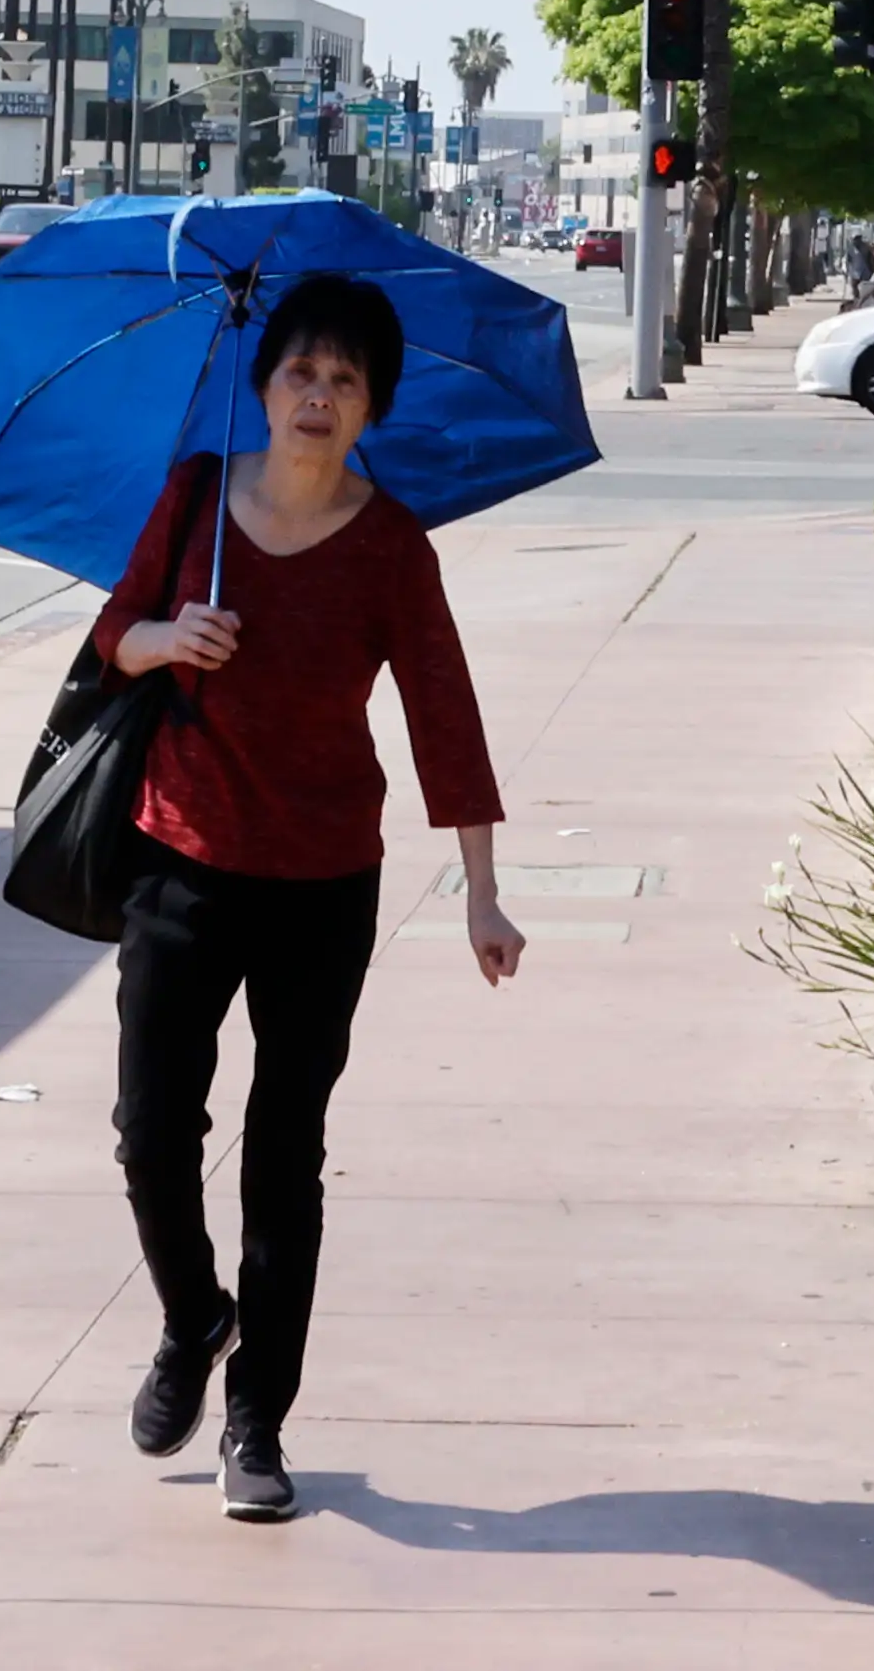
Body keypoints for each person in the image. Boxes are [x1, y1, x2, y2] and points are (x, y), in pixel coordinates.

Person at [85, 266, 522, 1522]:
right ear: (262, 385)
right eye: (298, 373)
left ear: (372, 405)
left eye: (343, 380)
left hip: (325, 882)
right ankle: (191, 1317)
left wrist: (482, 891)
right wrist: (167, 641)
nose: (316, 397)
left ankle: (257, 1424)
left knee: (286, 1156)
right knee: (152, 1130)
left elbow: (447, 719)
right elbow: (111, 628)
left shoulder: (391, 548)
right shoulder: (193, 500)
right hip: (179, 856)